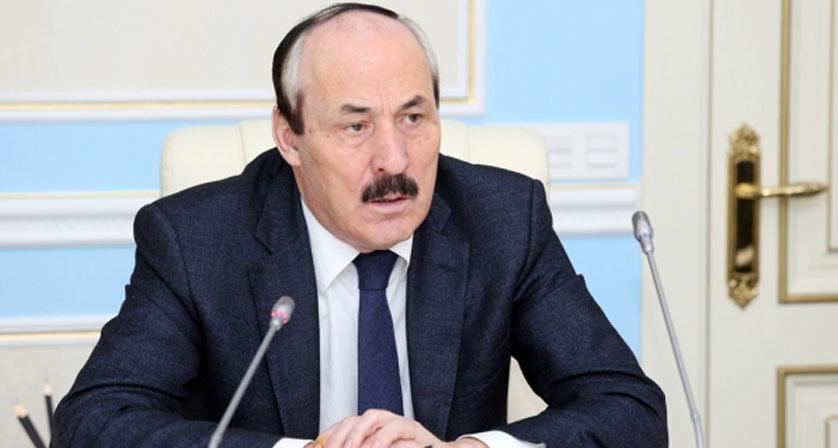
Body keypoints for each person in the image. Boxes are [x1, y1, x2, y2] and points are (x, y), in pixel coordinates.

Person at [54, 3, 667, 447]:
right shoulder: (196, 239)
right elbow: (95, 421)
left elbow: (630, 411)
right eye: (355, 126)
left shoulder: (503, 219)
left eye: (413, 118)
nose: (394, 161)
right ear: (289, 137)